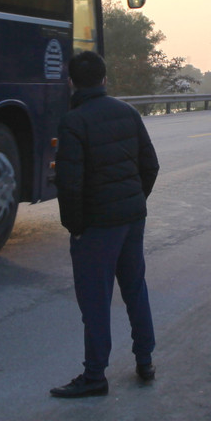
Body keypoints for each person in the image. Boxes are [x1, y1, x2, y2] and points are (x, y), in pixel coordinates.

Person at [51, 50, 160, 398]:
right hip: (131, 219)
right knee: (134, 289)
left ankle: (95, 375)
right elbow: (151, 165)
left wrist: (76, 226)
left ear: (71, 82)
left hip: (97, 226)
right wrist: (135, 201)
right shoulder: (127, 112)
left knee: (95, 301)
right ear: (104, 79)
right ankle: (145, 360)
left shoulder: (73, 121)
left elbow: (69, 184)